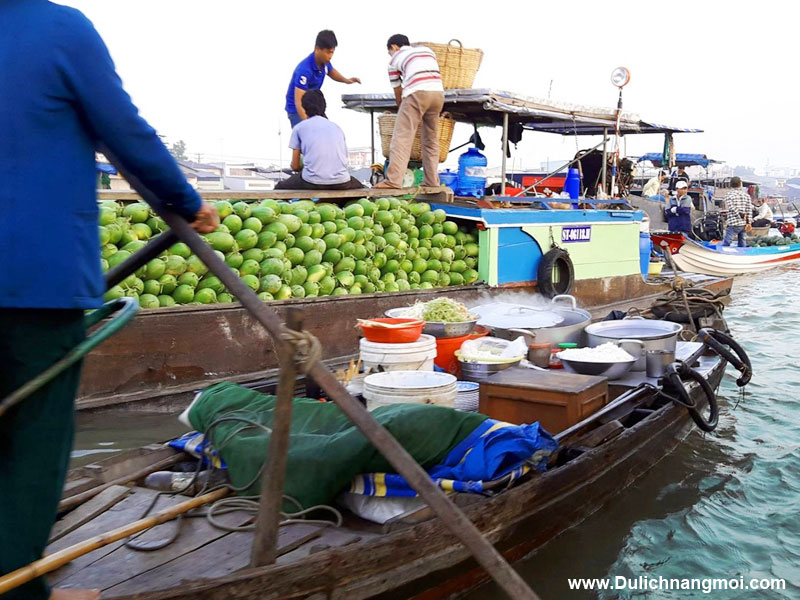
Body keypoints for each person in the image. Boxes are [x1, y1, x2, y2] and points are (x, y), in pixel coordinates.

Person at [0, 2, 219, 599]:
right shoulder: (58, 28)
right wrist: (185, 199)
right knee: (33, 447)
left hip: (29, 277)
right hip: (32, 281)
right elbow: (124, 132)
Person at [373, 34, 445, 189]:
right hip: (438, 95)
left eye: (389, 51)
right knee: (431, 141)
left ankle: (393, 181)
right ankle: (432, 182)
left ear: (394, 47)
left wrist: (401, 110)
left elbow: (398, 91)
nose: (390, 54)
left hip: (417, 94)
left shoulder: (394, 60)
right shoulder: (427, 51)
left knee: (402, 138)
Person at [275, 90, 363, 190]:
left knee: (280, 187)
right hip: (341, 181)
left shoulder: (299, 128)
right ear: (324, 107)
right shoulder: (336, 128)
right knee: (361, 188)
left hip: (311, 181)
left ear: (304, 108)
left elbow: (295, 166)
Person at [284, 30, 360, 128]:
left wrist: (347, 80)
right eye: (328, 52)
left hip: (313, 106)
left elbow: (332, 72)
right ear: (317, 49)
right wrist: (309, 124)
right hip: (297, 110)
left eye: (332, 52)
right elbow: (298, 102)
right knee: (309, 136)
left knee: (327, 130)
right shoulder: (304, 70)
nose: (330, 56)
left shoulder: (324, 62)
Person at [722, 176, 754, 247]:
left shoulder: (729, 195)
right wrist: (749, 223)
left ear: (730, 185)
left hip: (733, 223)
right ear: (740, 184)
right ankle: (742, 254)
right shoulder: (746, 196)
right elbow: (749, 210)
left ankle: (722, 255)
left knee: (727, 242)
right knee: (742, 242)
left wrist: (739, 215)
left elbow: (732, 208)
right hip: (743, 224)